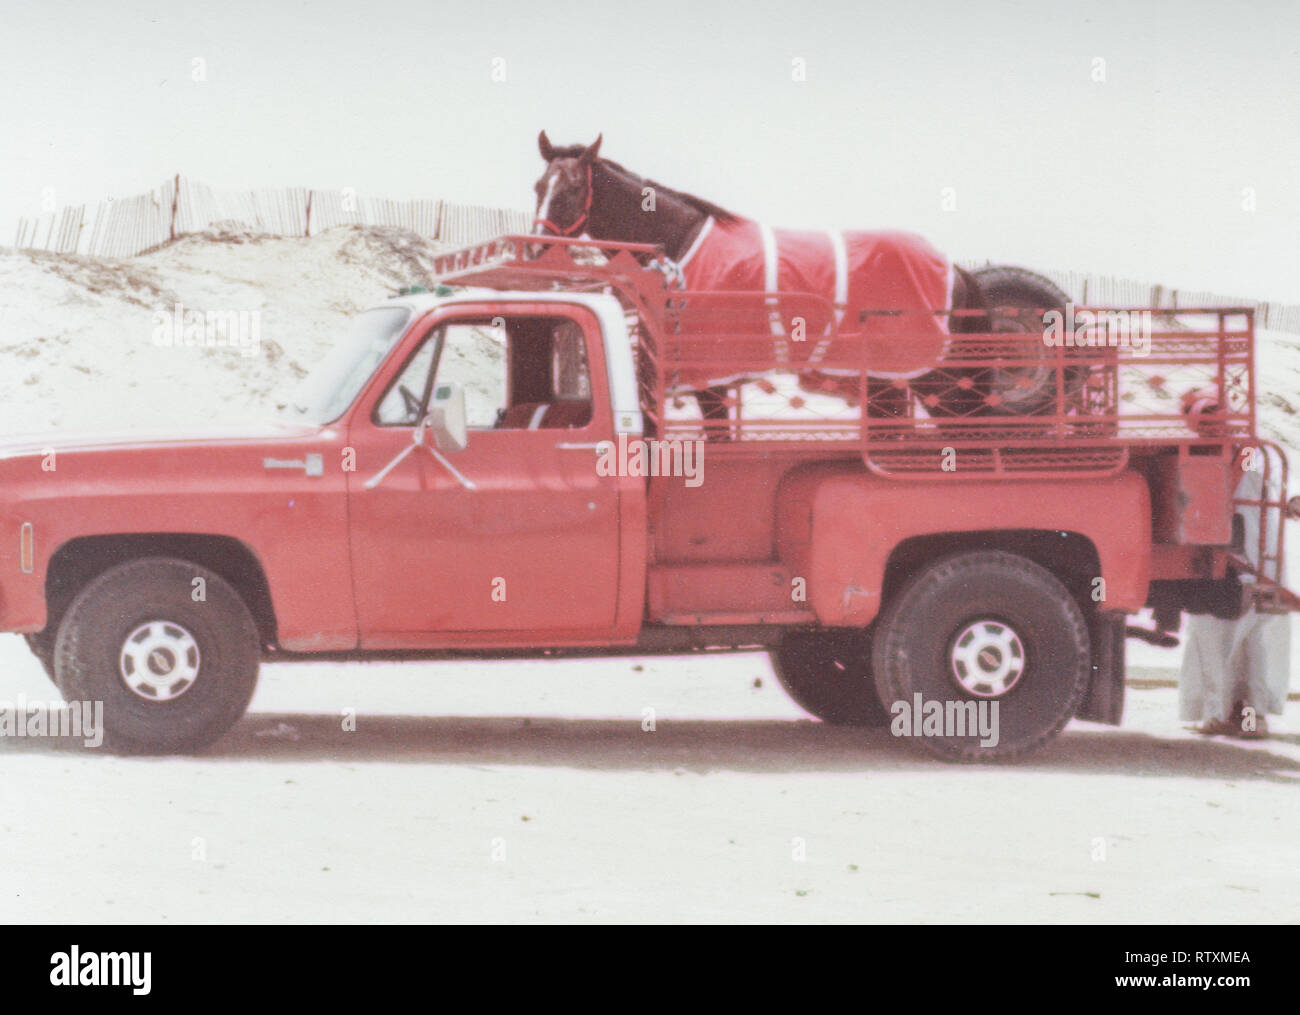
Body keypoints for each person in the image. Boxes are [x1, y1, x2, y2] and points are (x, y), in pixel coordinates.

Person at [1178, 390, 1292, 739]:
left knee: (1244, 638)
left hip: (1249, 556)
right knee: (1226, 639)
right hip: (1229, 555)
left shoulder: (1247, 454)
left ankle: (1241, 715)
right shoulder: (1229, 453)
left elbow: (1258, 491)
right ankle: (1228, 714)